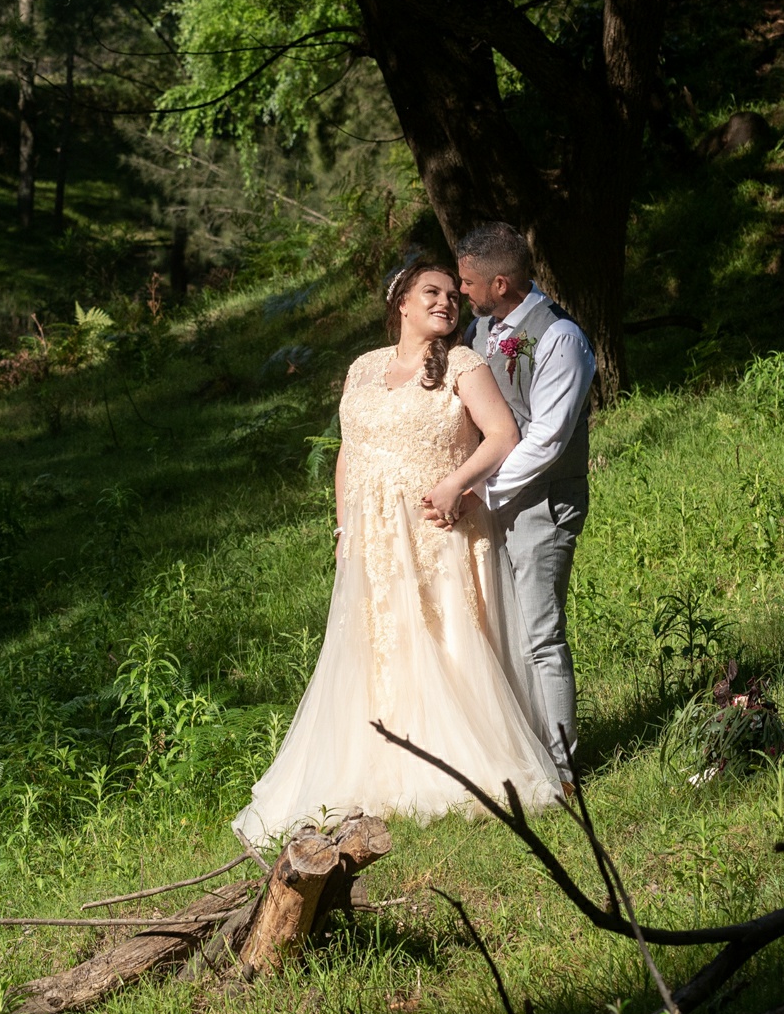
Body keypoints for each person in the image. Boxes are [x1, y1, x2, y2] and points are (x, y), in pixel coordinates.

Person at [232, 257, 565, 845]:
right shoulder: (363, 369)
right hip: (375, 539)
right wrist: (343, 529)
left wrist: (456, 483)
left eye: (451, 296)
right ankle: (384, 763)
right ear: (402, 304)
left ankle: (459, 765)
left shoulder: (464, 363)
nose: (444, 303)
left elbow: (504, 436)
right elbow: (347, 453)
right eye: (430, 293)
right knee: (379, 644)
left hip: (439, 530)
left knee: (444, 641)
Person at [453, 222, 596, 784]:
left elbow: (548, 440)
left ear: (502, 283)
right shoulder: (481, 330)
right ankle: (521, 751)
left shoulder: (561, 338)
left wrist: (480, 489)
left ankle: (561, 771)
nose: (462, 290)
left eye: (468, 282)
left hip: (542, 503)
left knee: (540, 633)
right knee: (502, 627)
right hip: (491, 499)